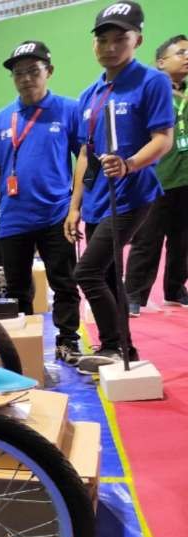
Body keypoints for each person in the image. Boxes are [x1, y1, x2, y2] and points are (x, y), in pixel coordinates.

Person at [65, 1, 174, 373]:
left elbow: (163, 139)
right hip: (97, 198)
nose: (110, 46)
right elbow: (85, 153)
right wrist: (74, 206)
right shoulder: (89, 94)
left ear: (137, 40)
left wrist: (129, 164)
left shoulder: (151, 81)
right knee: (108, 274)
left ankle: (113, 345)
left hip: (133, 195)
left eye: (119, 39)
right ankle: (122, 347)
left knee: (86, 272)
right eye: (103, 39)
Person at [0, 41, 83, 365]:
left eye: (33, 71)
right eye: (19, 73)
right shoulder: (0, 120)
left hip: (56, 215)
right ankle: (21, 345)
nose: (26, 78)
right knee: (16, 289)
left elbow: (82, 156)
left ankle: (68, 340)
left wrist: (75, 206)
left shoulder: (69, 109)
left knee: (64, 283)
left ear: (48, 72)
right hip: (13, 218)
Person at [125, 34, 188, 315]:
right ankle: (133, 294)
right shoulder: (149, 90)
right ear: (161, 61)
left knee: (183, 240)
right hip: (157, 178)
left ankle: (175, 289)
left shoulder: (185, 93)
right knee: (147, 240)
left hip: (185, 178)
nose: (187, 57)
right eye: (181, 52)